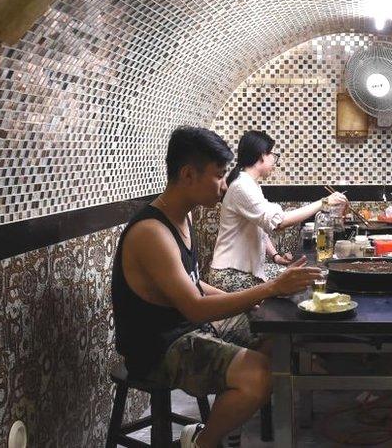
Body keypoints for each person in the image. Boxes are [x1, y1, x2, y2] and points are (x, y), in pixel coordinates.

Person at [111, 126, 322, 448]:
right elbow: (194, 305)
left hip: (188, 330)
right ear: (187, 174)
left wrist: (242, 299)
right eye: (220, 175)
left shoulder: (184, 217)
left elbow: (194, 283)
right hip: (157, 347)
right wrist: (269, 289)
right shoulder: (152, 232)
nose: (225, 185)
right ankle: (202, 442)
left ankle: (228, 424)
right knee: (258, 375)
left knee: (273, 337)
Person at [207, 130, 347, 292]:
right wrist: (324, 202)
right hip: (230, 275)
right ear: (261, 156)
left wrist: (275, 256)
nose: (275, 161)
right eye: (273, 155)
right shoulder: (242, 186)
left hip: (243, 271)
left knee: (305, 275)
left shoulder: (249, 184)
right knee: (302, 281)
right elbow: (279, 222)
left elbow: (259, 227)